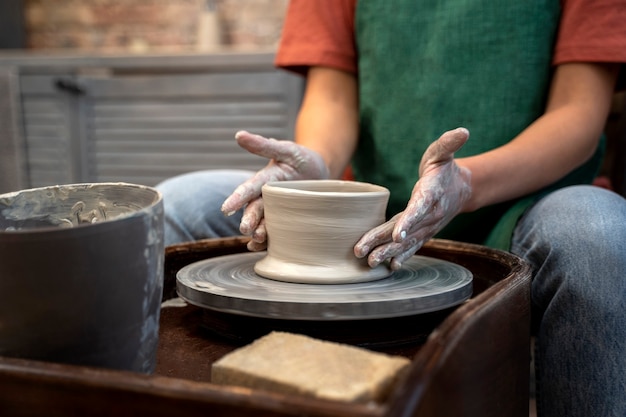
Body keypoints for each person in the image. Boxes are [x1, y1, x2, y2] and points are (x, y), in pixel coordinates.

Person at [156, 1, 626, 415]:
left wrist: (467, 184)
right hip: (368, 223)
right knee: (171, 206)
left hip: (520, 201)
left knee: (600, 234)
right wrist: (315, 163)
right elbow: (333, 95)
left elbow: (579, 113)